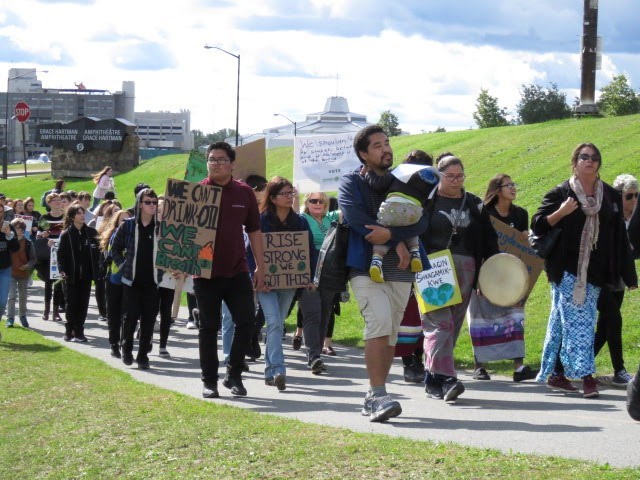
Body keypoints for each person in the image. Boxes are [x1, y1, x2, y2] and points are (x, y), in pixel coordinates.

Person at [338, 125, 429, 422]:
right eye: (377, 145)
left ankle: (375, 393)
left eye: (387, 143)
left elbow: (421, 219)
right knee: (378, 322)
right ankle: (378, 394)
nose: (386, 148)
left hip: (400, 270)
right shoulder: (351, 182)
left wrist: (393, 237)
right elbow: (356, 219)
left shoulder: (403, 179)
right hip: (365, 265)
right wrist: (396, 240)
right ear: (363, 154)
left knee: (391, 332)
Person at [531, 143, 637, 398]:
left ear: (599, 164)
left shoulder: (610, 196)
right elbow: (537, 225)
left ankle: (556, 373)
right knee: (581, 322)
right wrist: (562, 212)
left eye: (594, 158)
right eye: (584, 157)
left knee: (564, 323)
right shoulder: (561, 192)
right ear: (575, 162)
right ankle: (587, 378)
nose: (589, 161)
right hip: (566, 270)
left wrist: (629, 275)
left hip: (597, 271)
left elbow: (619, 238)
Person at [420, 154, 498, 402]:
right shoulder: (427, 202)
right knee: (439, 323)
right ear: (439, 175)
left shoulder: (474, 204)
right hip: (433, 269)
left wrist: (488, 275)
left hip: (466, 268)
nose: (456, 181)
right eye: (450, 176)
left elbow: (489, 241)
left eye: (460, 176)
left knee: (451, 325)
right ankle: (448, 377)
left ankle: (434, 377)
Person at [194, 142, 264, 399]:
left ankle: (233, 374)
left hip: (237, 271)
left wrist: (260, 266)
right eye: (212, 159)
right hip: (205, 273)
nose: (216, 164)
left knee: (246, 323)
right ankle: (209, 380)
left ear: (232, 164)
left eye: (221, 159)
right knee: (208, 328)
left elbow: (255, 230)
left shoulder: (244, 193)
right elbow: (182, 232)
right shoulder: (196, 192)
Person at [468, 174, 537, 382]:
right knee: (481, 318)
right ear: (497, 190)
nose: (513, 188)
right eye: (509, 185)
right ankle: (479, 366)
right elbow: (477, 245)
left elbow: (523, 247)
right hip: (486, 272)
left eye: (514, 184)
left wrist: (525, 239)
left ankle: (519, 366)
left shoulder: (521, 214)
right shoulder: (483, 213)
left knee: (514, 317)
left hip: (510, 276)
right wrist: (478, 278)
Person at [258, 178, 317, 387]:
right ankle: (279, 370)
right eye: (284, 193)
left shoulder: (300, 222)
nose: (289, 197)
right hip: (265, 284)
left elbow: (310, 251)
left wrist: (309, 278)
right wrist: (256, 275)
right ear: (273, 198)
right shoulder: (261, 221)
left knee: (277, 324)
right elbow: (250, 251)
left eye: (291, 193)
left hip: (289, 284)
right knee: (273, 322)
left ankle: (268, 372)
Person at [363, 154, 440, 282]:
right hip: (415, 211)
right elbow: (429, 204)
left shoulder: (402, 170)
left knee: (384, 227)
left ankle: (377, 261)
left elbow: (379, 185)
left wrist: (368, 173)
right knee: (409, 227)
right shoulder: (433, 179)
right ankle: (415, 254)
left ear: (407, 162)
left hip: (392, 206)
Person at [593, 174, 639, 387]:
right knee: (613, 318)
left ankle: (573, 365)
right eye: (629, 196)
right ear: (618, 195)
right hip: (600, 276)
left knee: (605, 326)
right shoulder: (608, 216)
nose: (633, 200)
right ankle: (619, 370)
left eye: (636, 195)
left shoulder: (635, 218)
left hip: (619, 278)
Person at [111, 188, 160, 370]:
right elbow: (114, 249)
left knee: (149, 319)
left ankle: (143, 356)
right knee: (131, 316)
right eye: (148, 202)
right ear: (140, 204)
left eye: (154, 203)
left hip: (153, 281)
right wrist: (123, 266)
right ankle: (127, 349)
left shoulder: (160, 227)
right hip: (131, 281)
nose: (152, 206)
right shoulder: (129, 225)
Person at [57, 203, 100, 342]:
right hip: (71, 276)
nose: (82, 216)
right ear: (72, 216)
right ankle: (69, 330)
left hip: (86, 276)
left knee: (83, 304)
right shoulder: (66, 234)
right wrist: (62, 270)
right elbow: (61, 255)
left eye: (83, 213)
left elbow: (98, 253)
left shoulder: (92, 233)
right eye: (79, 213)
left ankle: (79, 331)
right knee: (71, 304)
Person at [100, 209, 131, 358]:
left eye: (127, 220)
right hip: (114, 279)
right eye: (122, 220)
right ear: (117, 222)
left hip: (129, 280)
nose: (124, 223)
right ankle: (114, 343)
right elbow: (112, 254)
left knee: (127, 313)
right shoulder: (114, 236)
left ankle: (124, 341)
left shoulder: (133, 236)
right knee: (114, 313)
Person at [35, 192, 66, 321]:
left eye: (59, 200)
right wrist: (44, 236)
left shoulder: (65, 217)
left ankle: (55, 311)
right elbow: (38, 235)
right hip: (48, 253)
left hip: (61, 251)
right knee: (49, 282)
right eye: (54, 201)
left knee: (59, 282)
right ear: (49, 203)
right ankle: (46, 309)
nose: (58, 203)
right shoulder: (44, 217)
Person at [6, 219, 36, 328]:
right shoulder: (8, 242)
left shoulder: (28, 243)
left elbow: (33, 259)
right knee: (12, 296)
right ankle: (10, 318)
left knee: (23, 296)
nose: (20, 230)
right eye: (17, 228)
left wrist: (27, 266)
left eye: (21, 228)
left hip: (24, 274)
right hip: (10, 273)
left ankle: (23, 316)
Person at [0, 212, 20, 325]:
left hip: (5, 268)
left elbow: (16, 248)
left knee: (2, 301)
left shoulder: (8, 227)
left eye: (1, 212)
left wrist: (9, 235)